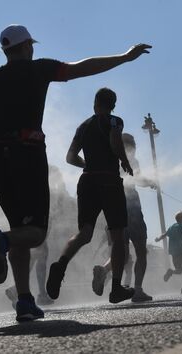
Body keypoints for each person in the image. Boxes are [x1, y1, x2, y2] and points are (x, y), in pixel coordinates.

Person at [0, 24, 150, 320]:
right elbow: (83, 67)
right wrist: (124, 57)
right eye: (32, 45)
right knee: (35, 234)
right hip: (26, 153)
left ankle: (25, 301)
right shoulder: (40, 69)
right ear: (27, 45)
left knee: (19, 227)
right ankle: (0, 241)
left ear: (5, 50)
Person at [46, 88, 135, 304]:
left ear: (94, 102)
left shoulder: (83, 126)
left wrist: (88, 165)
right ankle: (115, 288)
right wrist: (124, 159)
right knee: (118, 237)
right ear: (113, 105)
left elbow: (70, 157)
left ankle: (60, 265)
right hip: (109, 182)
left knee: (84, 233)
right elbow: (115, 141)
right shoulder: (114, 120)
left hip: (87, 182)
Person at [92, 133, 155, 302]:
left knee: (122, 253)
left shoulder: (109, 159)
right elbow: (137, 178)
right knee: (141, 250)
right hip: (132, 210)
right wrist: (151, 182)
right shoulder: (131, 161)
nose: (134, 148)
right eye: (132, 144)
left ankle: (104, 271)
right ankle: (139, 290)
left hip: (114, 208)